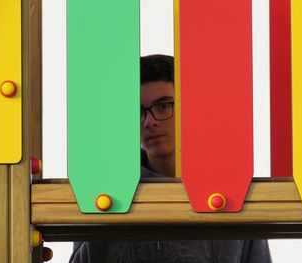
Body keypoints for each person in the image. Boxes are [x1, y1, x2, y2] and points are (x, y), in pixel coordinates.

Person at [69, 54, 272, 263]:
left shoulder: (231, 188)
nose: (149, 121)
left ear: (191, 108)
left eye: (163, 106)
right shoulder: (110, 189)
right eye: (139, 111)